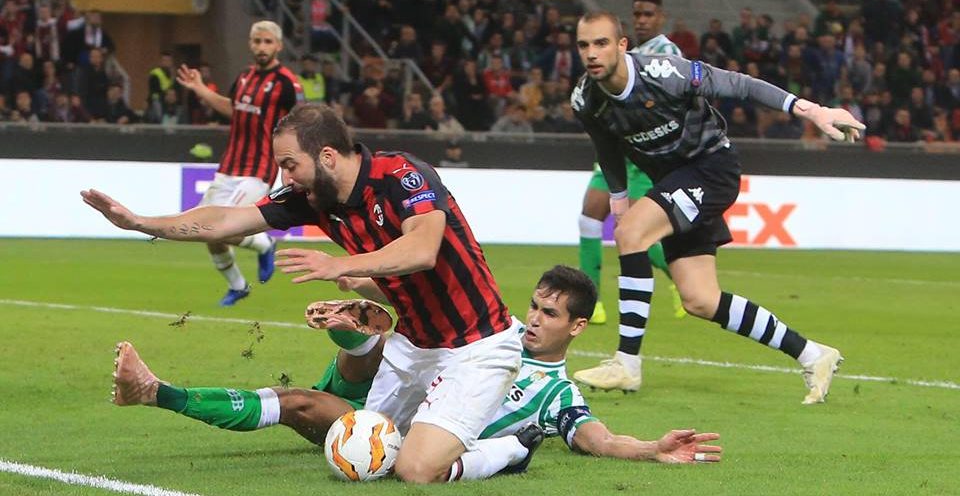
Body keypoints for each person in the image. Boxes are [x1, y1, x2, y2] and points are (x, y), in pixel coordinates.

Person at [81, 102, 525, 484]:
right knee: (369, 450)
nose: (285, 176)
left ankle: (510, 447)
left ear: (327, 155)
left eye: (290, 164)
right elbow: (226, 220)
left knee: (415, 469)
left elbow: (422, 249)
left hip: (477, 344)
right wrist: (140, 223)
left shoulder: (402, 176)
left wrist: (341, 265)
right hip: (412, 347)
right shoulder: (312, 197)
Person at [110, 266, 722, 475]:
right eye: (535, 306)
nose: (535, 319)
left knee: (295, 402)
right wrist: (356, 291)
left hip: (394, 435)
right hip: (387, 398)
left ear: (578, 327)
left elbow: (599, 439)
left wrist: (650, 449)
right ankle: (348, 324)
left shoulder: (555, 395)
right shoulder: (493, 331)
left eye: (550, 314)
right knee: (383, 336)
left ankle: (156, 392)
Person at [569, 11, 863, 402]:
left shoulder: (665, 72)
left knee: (632, 234)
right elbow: (607, 146)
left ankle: (627, 363)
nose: (592, 53)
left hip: (711, 169)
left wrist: (813, 111)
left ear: (622, 46)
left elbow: (740, 85)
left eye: (601, 43)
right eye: (584, 45)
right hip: (672, 182)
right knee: (700, 300)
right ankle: (813, 354)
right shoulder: (586, 98)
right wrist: (619, 199)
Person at [172, 20, 304, 305]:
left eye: (268, 41)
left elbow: (302, 122)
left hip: (258, 169)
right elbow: (233, 109)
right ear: (250, 44)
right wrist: (199, 88)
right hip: (228, 167)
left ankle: (264, 244)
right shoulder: (245, 76)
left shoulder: (287, 83)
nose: (262, 47)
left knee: (224, 226)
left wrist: (295, 163)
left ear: (279, 46)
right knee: (205, 230)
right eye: (257, 41)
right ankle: (238, 286)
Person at [580, 0, 685, 326]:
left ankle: (681, 279)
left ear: (661, 17)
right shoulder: (621, 52)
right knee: (589, 216)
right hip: (616, 148)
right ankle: (589, 302)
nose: (641, 20)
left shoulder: (668, 53)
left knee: (632, 230)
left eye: (648, 14)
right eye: (637, 14)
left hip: (643, 151)